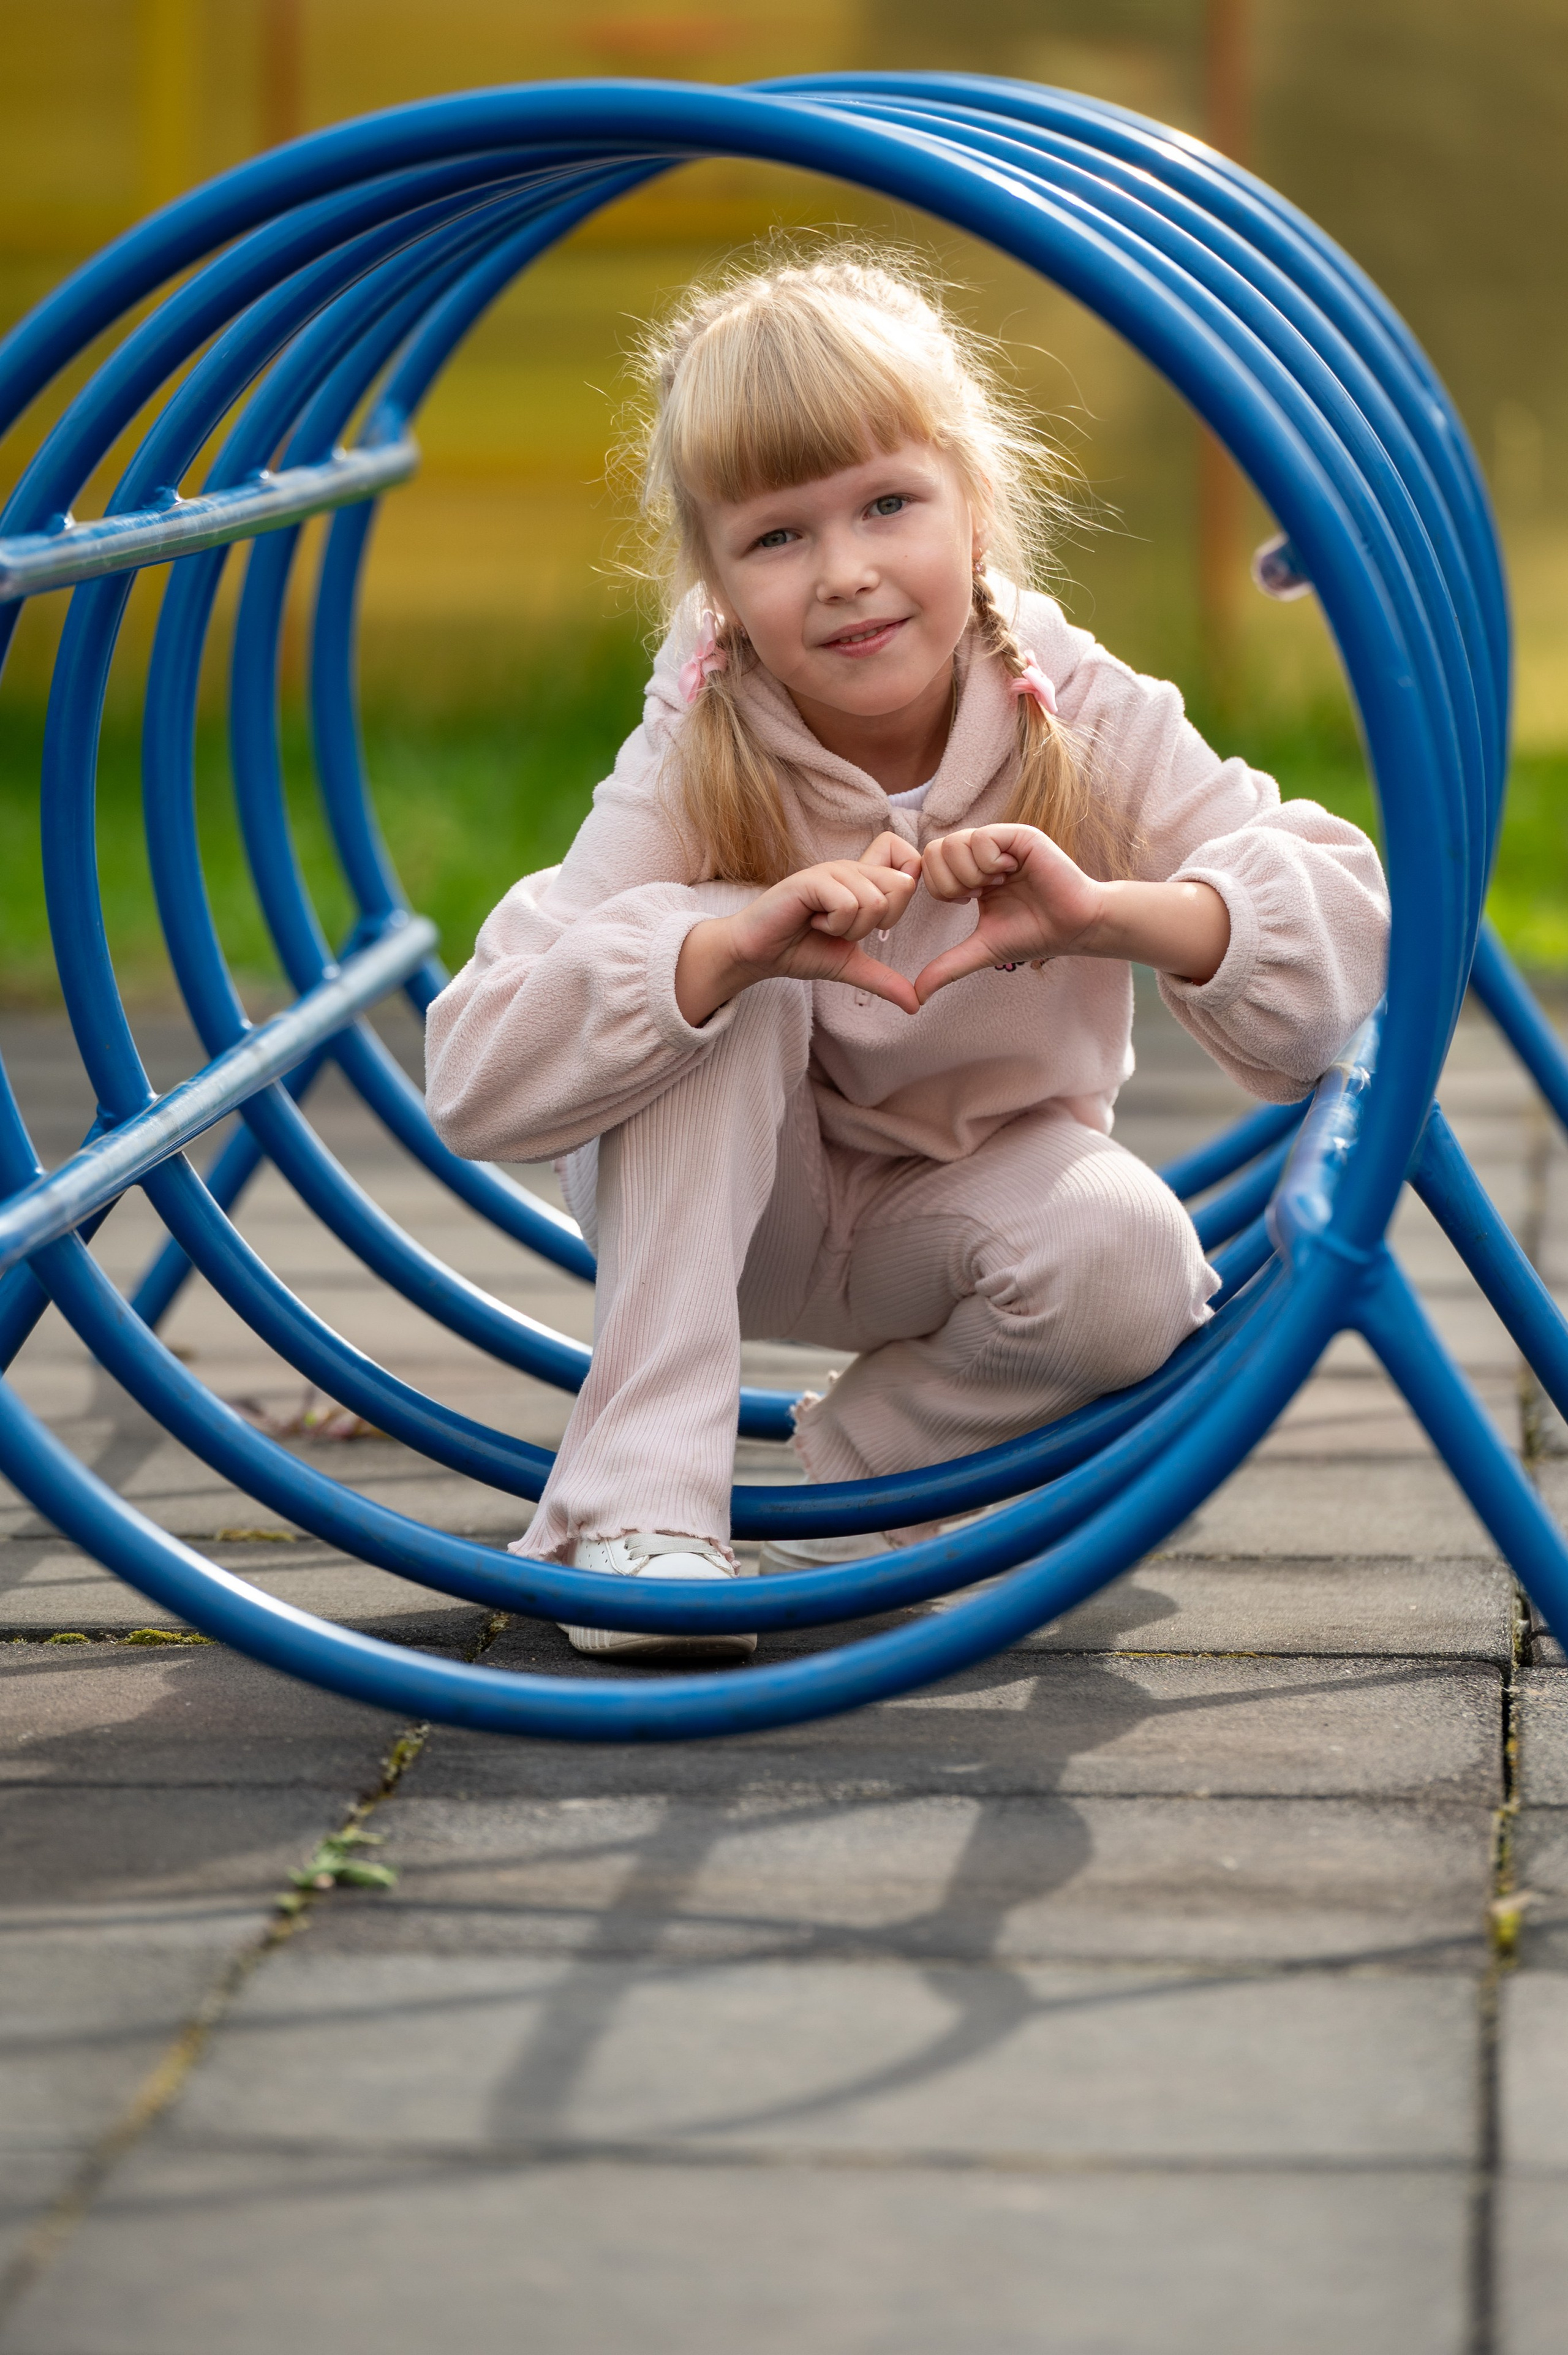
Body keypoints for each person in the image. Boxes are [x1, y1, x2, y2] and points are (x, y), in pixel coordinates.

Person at [425, 249, 1388, 1665]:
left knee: (1132, 1255)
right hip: (732, 1206)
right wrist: (732, 947)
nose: (847, 573)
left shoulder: (1070, 701)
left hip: (958, 1213)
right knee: (714, 962)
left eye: (886, 504)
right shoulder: (701, 745)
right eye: (777, 537)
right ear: (715, 586)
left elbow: (1343, 943)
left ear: (973, 503)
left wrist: (1101, 913)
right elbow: (474, 1070)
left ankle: (865, 1494)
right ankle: (635, 1510)